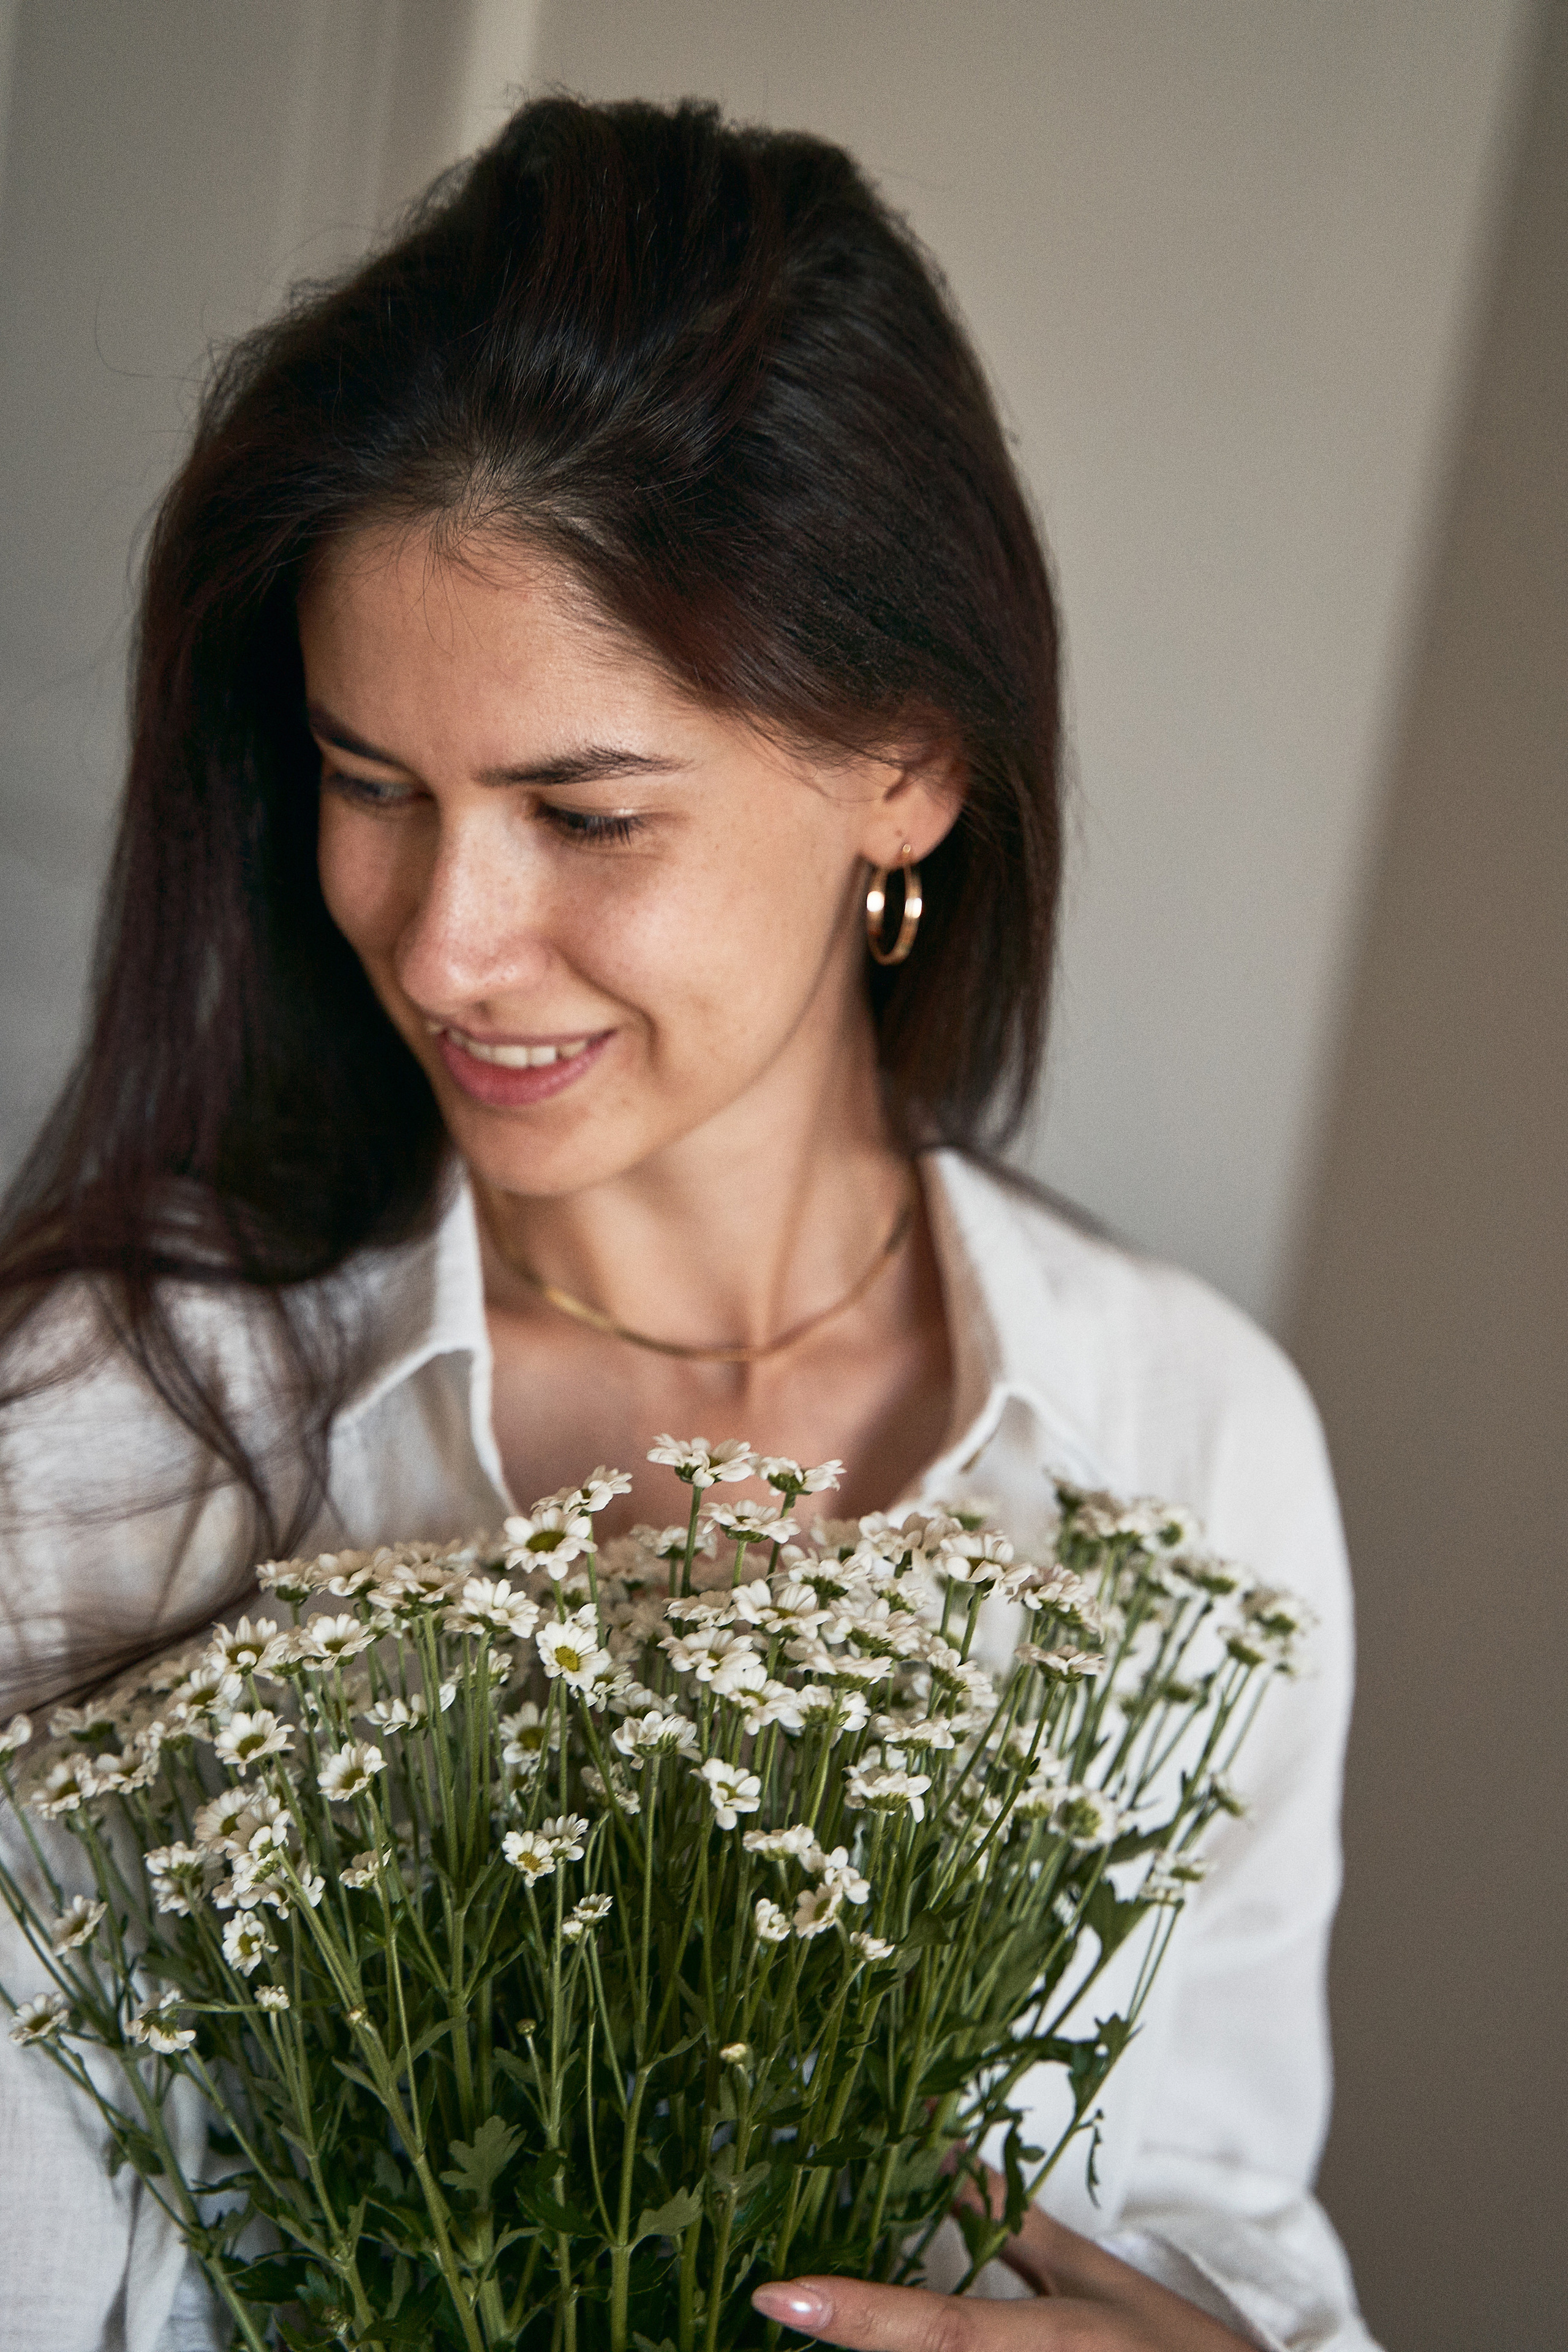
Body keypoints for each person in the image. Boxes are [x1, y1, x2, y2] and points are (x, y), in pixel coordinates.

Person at [0, 96, 1375, 2352]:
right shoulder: (99, 1441)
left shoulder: (1191, 1443)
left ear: (909, 763)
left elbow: (1227, 2225)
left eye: (581, 811)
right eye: (372, 786)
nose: (443, 942)